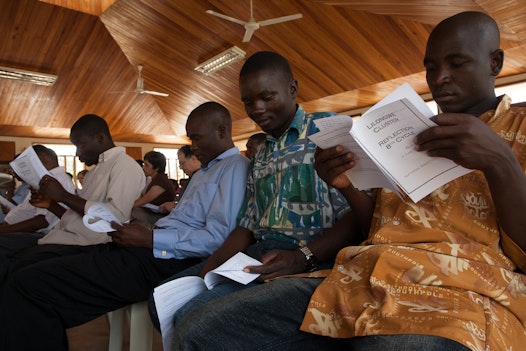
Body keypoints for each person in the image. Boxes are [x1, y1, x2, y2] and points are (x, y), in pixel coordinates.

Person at [171, 11, 526, 351]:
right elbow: (376, 226)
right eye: (431, 67)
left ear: (495, 63)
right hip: (362, 277)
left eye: (457, 63)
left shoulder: (517, 131)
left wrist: (500, 161)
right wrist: (347, 185)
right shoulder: (407, 134)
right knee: (201, 330)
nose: (440, 78)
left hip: (455, 289)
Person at [147, 51, 372, 341]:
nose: (257, 108)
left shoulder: (328, 130)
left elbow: (361, 214)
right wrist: (211, 266)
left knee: (199, 326)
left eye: (267, 97)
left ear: (292, 89)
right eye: (248, 101)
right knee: (164, 305)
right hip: (262, 255)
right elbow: (248, 224)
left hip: (318, 256)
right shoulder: (261, 153)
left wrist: (302, 256)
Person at [0, 101, 249, 350]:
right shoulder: (205, 171)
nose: (192, 147)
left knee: (30, 286)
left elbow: (218, 238)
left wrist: (150, 239)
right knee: (26, 276)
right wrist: (143, 234)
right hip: (149, 246)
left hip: (166, 259)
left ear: (221, 132)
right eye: (190, 139)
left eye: (197, 138)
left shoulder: (234, 167)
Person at [0, 145, 75, 234]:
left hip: (32, 234)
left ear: (43, 158)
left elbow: (42, 221)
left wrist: (3, 231)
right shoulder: (45, 179)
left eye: (27, 163)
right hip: (13, 229)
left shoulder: (54, 180)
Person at [132, 151, 176, 225]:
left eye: (146, 165)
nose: (143, 168)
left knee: (135, 212)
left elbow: (143, 201)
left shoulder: (161, 181)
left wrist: (125, 207)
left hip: (161, 216)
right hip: (152, 213)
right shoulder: (155, 179)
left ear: (156, 168)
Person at [158, 145, 201, 213]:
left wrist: (175, 205)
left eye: (182, 163)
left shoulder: (203, 177)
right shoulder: (192, 177)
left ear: (193, 159)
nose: (181, 167)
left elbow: (198, 206)